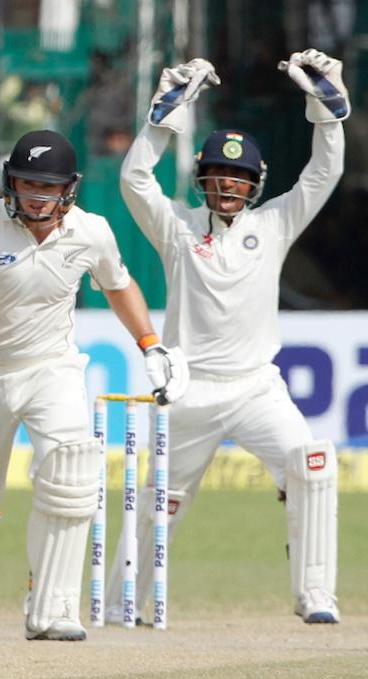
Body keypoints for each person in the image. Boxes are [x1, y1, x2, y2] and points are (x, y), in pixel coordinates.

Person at [0, 129, 188, 641]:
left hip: (52, 369)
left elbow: (118, 283)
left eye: (47, 186)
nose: (35, 195)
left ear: (69, 189)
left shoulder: (91, 232)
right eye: (25, 183)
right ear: (9, 182)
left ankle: (53, 606)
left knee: (72, 473)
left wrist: (151, 343)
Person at [105, 49, 348, 625]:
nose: (228, 186)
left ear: (255, 184)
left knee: (311, 463)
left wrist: (328, 112)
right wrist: (162, 120)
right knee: (158, 502)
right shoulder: (178, 229)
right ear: (203, 181)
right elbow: (135, 179)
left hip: (257, 388)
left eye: (239, 178)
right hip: (189, 390)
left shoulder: (275, 225)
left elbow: (324, 173)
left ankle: (315, 593)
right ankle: (120, 603)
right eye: (219, 176)